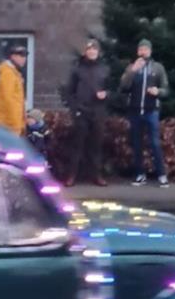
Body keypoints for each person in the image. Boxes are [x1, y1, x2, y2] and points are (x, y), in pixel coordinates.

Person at [119, 39, 169, 188]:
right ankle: (140, 175)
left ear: (150, 51)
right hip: (135, 111)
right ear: (137, 51)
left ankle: (161, 175)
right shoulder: (131, 68)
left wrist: (158, 91)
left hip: (151, 111)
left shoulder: (158, 68)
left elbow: (166, 89)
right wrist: (133, 71)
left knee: (154, 143)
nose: (143, 51)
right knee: (136, 144)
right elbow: (123, 86)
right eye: (141, 49)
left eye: (146, 49)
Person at [63, 39, 110, 187]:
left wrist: (106, 94)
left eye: (94, 49)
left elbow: (112, 89)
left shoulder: (104, 69)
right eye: (89, 49)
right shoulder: (77, 70)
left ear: (98, 52)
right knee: (77, 145)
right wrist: (75, 109)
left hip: (98, 112)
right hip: (81, 112)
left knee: (96, 145)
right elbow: (69, 92)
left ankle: (96, 176)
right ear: (85, 52)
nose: (92, 52)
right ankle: (71, 176)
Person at [0, 44, 28, 136]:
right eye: (21, 55)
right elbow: (8, 99)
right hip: (8, 125)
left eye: (25, 55)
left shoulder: (15, 73)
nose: (24, 58)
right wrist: (15, 123)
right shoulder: (8, 73)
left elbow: (18, 100)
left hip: (13, 125)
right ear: (13, 56)